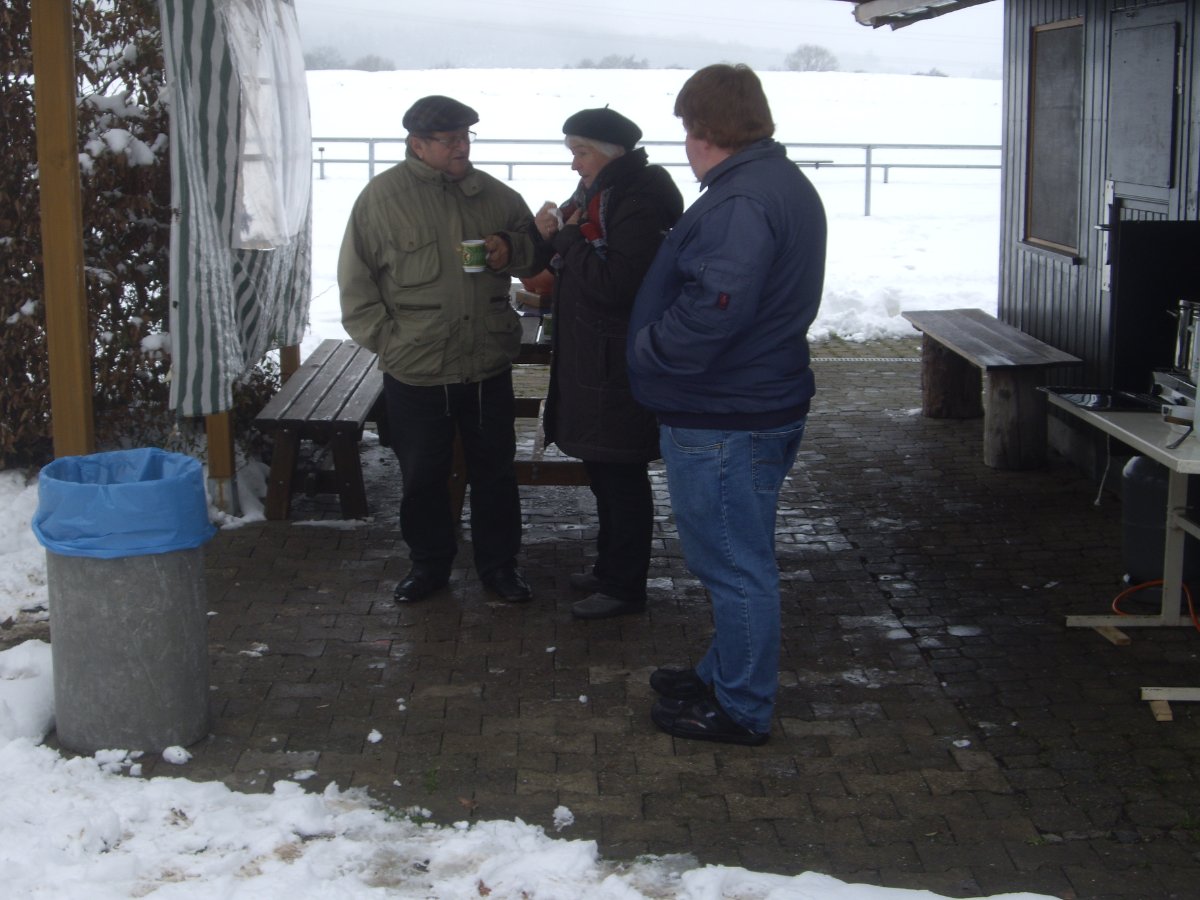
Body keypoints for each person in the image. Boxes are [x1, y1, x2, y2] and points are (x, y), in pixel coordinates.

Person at [627, 64, 827, 745]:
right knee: (741, 554)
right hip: (753, 403)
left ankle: (741, 706)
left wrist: (650, 348)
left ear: (704, 131)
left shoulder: (741, 200)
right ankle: (722, 672)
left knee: (735, 568)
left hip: (725, 415)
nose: (685, 145)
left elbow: (716, 307)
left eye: (687, 130)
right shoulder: (774, 183)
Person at [338, 95, 549, 604]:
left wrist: (511, 247)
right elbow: (355, 284)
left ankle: (500, 566)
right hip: (416, 370)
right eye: (449, 139)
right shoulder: (381, 199)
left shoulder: (495, 196)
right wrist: (389, 341)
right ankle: (429, 566)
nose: (461, 147)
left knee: (495, 472)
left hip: (486, 365)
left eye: (465, 136)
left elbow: (535, 258)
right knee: (422, 477)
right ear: (417, 144)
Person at [534, 108, 683, 620]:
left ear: (611, 153)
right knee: (604, 471)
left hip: (616, 363)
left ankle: (625, 585)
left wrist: (567, 238)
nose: (574, 164)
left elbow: (618, 284)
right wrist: (551, 233)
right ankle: (610, 568)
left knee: (621, 475)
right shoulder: (600, 195)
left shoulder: (637, 200)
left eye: (581, 152)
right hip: (596, 359)